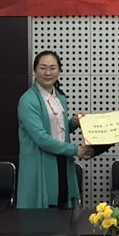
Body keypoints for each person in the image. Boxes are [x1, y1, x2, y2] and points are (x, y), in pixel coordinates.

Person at [16, 50, 92, 208]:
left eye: (52, 68)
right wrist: (76, 150)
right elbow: (41, 138)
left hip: (62, 161)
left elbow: (57, 130)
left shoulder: (60, 97)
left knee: (63, 208)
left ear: (59, 71)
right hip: (40, 164)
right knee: (45, 212)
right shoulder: (28, 100)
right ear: (34, 71)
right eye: (43, 68)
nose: (48, 72)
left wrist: (74, 122)